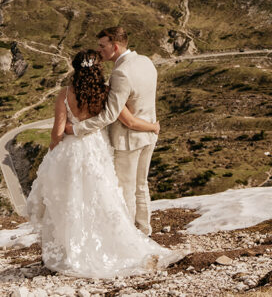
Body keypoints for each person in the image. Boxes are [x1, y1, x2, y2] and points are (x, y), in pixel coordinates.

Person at [25, 49, 181, 278]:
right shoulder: (105, 92)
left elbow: (57, 133)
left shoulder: (65, 94)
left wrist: (52, 151)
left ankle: (72, 251)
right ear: (98, 69)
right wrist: (153, 127)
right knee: (101, 199)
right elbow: (128, 120)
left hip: (71, 152)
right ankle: (108, 245)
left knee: (71, 201)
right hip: (97, 151)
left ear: (75, 69)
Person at [65, 26, 160, 235]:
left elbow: (110, 115)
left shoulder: (121, 73)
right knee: (141, 185)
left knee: (126, 188)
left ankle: (129, 235)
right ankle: (144, 229)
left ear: (114, 46)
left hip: (128, 138)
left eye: (102, 46)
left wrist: (77, 128)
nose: (99, 51)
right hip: (150, 132)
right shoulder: (146, 61)